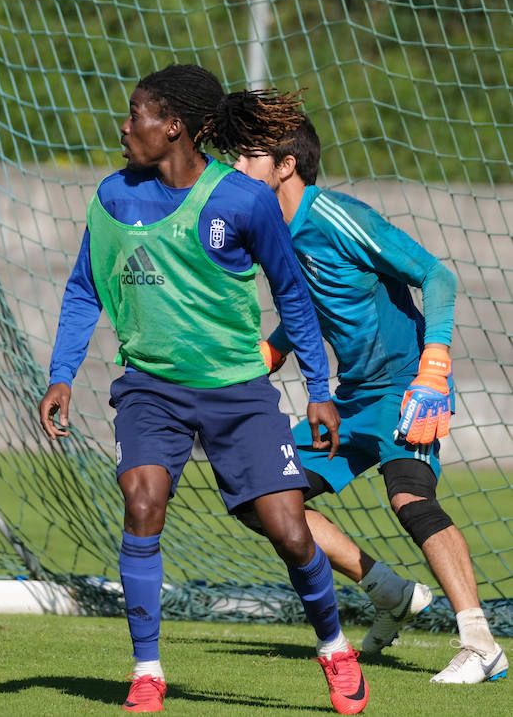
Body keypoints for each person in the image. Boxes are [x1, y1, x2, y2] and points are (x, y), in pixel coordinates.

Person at [37, 65, 369, 714]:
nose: (125, 127)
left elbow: (294, 296)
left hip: (238, 393)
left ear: (174, 127)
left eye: (137, 115)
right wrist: (61, 373)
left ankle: (334, 648)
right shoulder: (111, 199)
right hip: (150, 388)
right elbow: (84, 289)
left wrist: (320, 388)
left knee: (289, 530)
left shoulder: (241, 201)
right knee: (141, 501)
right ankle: (147, 672)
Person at [216, 88, 508, 685]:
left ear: (285, 165)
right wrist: (274, 348)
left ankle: (481, 643)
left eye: (247, 157)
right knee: (260, 498)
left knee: (410, 499)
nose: (235, 169)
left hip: (409, 387)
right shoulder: (273, 232)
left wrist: (434, 365)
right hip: (350, 400)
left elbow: (437, 275)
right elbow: (315, 306)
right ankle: (391, 593)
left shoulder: (337, 217)